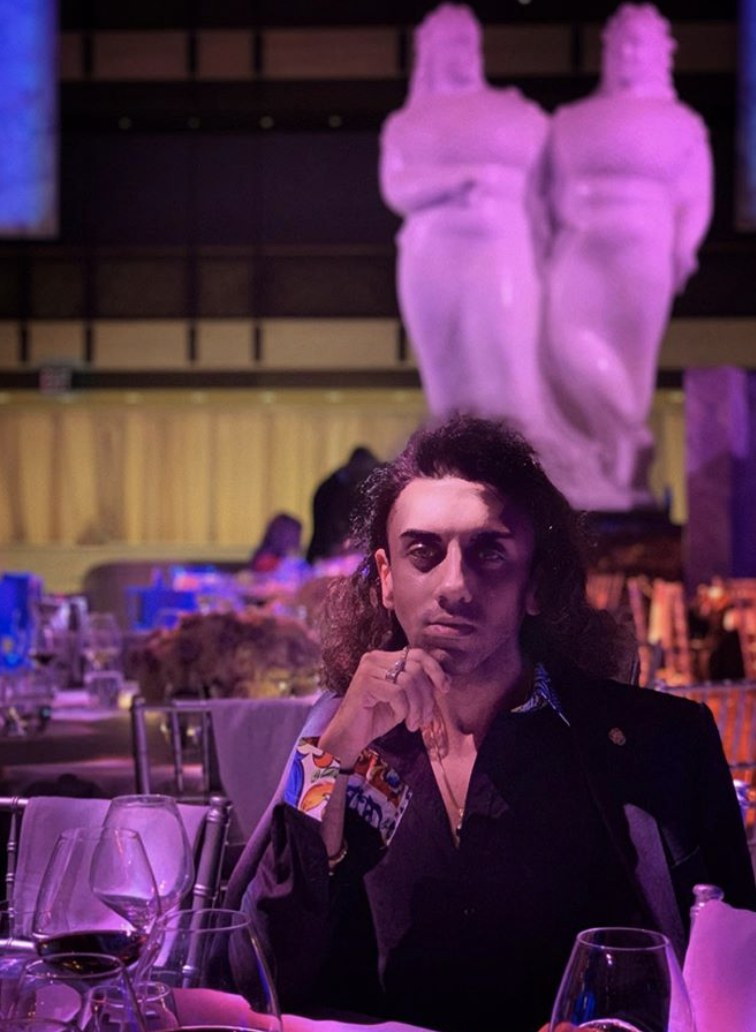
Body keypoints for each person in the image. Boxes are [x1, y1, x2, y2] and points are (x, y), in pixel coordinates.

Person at [226, 416, 756, 1032]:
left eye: (490, 551)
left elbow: (729, 986)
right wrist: (332, 754)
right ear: (387, 579)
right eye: (423, 552)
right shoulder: (337, 737)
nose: (454, 584)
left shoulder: (663, 744)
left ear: (535, 584)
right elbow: (256, 974)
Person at [541, 3, 713, 511]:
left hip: (643, 248)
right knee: (561, 339)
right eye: (623, 44)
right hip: (581, 244)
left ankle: (620, 467)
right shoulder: (571, 120)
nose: (631, 54)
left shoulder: (681, 123)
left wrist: (683, 250)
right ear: (608, 49)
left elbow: (696, 196)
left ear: (662, 53)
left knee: (633, 364)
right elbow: (546, 195)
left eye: (642, 44)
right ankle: (626, 435)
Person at [379, 4, 549, 432]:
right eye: (453, 43)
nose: (464, 52)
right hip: (431, 255)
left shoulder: (514, 111)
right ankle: (458, 463)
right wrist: (459, 180)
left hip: (499, 248)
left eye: (469, 42)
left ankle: (523, 463)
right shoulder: (407, 122)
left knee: (507, 362)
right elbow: (397, 188)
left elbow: (545, 183)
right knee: (445, 378)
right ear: (430, 51)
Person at [306, 447, 379, 564]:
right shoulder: (331, 490)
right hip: (328, 555)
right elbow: (329, 525)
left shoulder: (343, 486)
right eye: (365, 471)